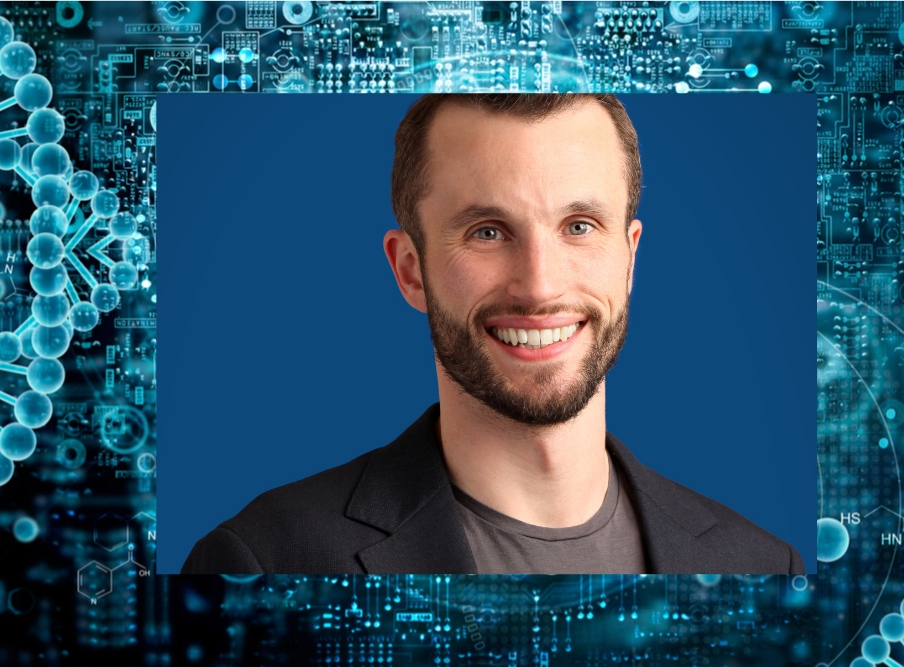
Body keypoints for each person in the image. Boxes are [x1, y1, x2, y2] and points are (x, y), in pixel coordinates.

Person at [181, 93, 806, 575]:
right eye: (487, 231)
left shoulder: (764, 567)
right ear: (410, 270)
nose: (538, 287)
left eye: (580, 226)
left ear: (630, 257)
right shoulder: (261, 561)